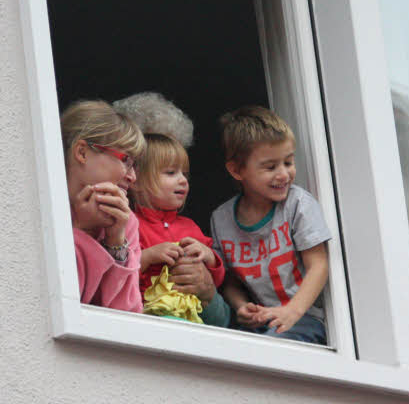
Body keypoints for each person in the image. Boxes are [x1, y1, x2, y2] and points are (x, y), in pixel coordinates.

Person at [210, 106, 330, 344]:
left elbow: (319, 265)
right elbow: (229, 280)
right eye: (270, 166)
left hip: (304, 320)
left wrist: (292, 311)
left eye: (288, 161)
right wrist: (241, 306)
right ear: (236, 170)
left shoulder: (298, 205)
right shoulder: (221, 219)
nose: (284, 174)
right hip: (261, 326)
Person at [131, 133, 226, 323]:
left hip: (193, 316)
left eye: (185, 173)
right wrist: (149, 256)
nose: (183, 180)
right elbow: (119, 274)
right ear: (137, 181)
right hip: (148, 316)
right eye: (171, 172)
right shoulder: (130, 225)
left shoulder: (190, 226)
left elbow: (217, 280)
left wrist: (210, 257)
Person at [60, 99, 145, 312]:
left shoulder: (126, 222)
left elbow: (128, 316)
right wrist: (84, 231)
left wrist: (116, 240)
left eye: (134, 165)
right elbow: (62, 304)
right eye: (125, 160)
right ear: (82, 152)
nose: (133, 177)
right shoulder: (46, 207)